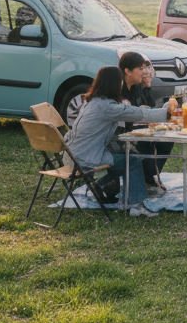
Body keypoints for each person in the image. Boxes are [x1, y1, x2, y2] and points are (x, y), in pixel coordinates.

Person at [63, 66, 177, 217]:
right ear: (115, 84)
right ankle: (136, 206)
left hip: (72, 153)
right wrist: (166, 109)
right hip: (85, 157)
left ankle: (102, 186)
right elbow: (139, 114)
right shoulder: (107, 106)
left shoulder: (91, 101)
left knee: (123, 158)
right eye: (120, 81)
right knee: (133, 161)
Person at [118, 51, 174, 198]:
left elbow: (149, 108)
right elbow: (124, 118)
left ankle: (150, 176)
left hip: (139, 128)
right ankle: (146, 179)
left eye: (145, 68)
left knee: (167, 139)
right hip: (122, 134)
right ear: (128, 71)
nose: (145, 72)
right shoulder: (119, 89)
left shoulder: (137, 86)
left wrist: (147, 86)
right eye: (141, 69)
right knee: (149, 139)